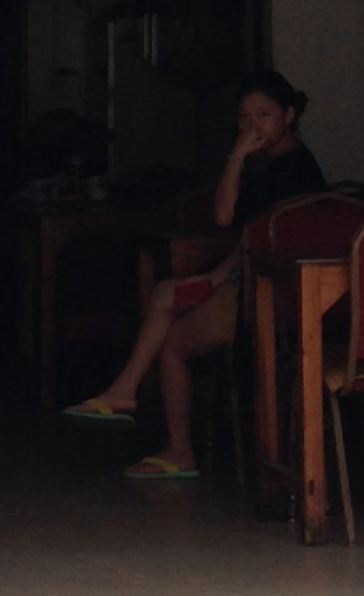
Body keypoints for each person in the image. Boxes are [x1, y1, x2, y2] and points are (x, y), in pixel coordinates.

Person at [64, 71, 323, 481]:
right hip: (253, 286)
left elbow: (226, 218)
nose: (253, 126)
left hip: (268, 299)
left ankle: (167, 436)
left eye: (264, 115)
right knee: (167, 294)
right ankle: (125, 393)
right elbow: (254, 235)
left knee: (171, 340)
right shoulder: (282, 164)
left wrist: (236, 155)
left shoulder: (289, 170)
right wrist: (217, 277)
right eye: (244, 117)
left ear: (288, 116)